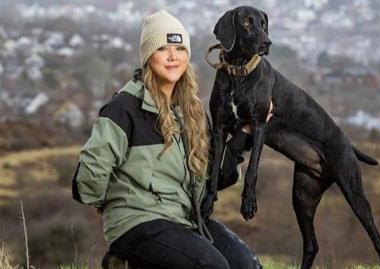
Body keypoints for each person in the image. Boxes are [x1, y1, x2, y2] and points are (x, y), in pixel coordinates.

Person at [72, 9, 272, 269]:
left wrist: (244, 135)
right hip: (137, 222)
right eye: (162, 49)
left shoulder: (194, 112)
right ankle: (128, 259)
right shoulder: (124, 109)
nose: (172, 57)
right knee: (212, 266)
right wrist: (119, 203)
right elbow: (87, 181)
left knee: (248, 264)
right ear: (148, 56)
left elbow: (215, 178)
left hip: (185, 219)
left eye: (179, 49)